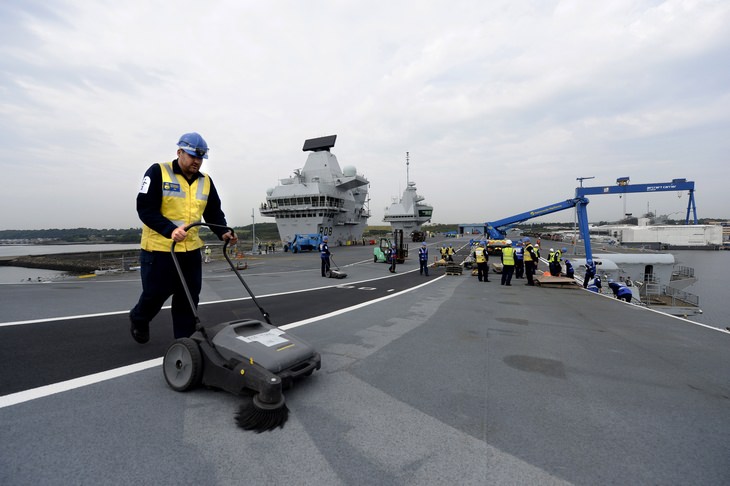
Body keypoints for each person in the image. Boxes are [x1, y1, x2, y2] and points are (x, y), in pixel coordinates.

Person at [129, 132, 237, 343]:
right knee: (155, 295)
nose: (197, 161)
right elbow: (145, 209)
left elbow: (213, 211)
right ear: (179, 152)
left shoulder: (206, 181)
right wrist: (170, 230)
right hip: (160, 249)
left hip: (190, 250)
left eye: (201, 158)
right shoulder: (158, 171)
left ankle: (185, 343)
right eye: (192, 156)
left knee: (188, 298)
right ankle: (139, 318)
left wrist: (223, 231)